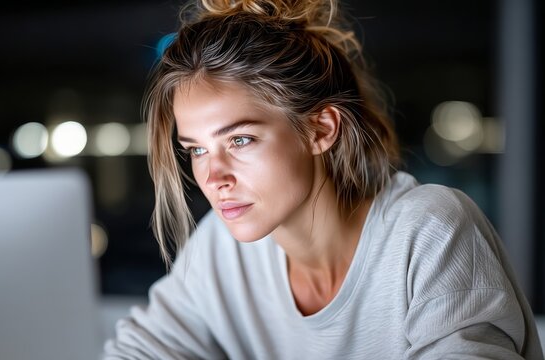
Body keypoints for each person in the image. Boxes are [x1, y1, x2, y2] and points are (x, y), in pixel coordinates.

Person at [103, 0, 544, 358]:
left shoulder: (427, 233)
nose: (213, 176)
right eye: (196, 149)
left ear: (321, 130)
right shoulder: (222, 247)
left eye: (240, 140)